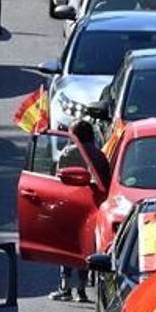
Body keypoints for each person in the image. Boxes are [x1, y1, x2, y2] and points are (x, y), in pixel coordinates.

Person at [50, 121, 110, 302]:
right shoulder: (100, 155)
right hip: (92, 205)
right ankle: (82, 290)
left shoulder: (68, 153)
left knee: (67, 246)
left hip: (70, 203)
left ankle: (65, 287)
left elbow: (58, 179)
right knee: (86, 247)